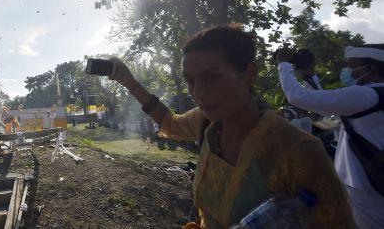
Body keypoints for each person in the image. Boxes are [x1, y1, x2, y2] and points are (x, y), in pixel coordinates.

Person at [110, 24, 354, 228]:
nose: (198, 93)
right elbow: (169, 123)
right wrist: (128, 81)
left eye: (211, 77)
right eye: (190, 81)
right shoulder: (205, 123)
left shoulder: (298, 152)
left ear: (249, 74)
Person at [277, 44, 384, 228]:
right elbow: (325, 106)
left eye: (351, 65)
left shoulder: (366, 95)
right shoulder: (375, 94)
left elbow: (297, 97)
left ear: (370, 69)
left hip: (368, 190)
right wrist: (308, 76)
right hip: (371, 181)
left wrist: (283, 64)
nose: (346, 71)